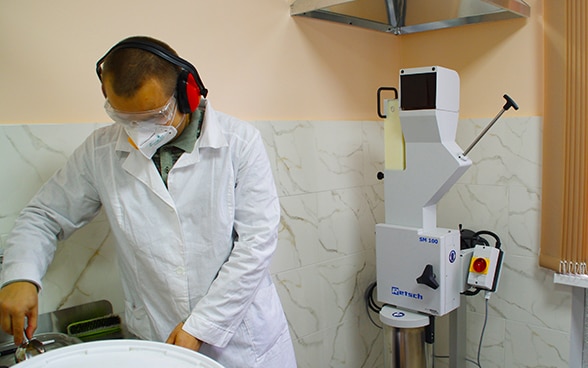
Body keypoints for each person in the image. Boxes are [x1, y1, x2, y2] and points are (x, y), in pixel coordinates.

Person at [0, 36, 297, 368]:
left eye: (154, 116)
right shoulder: (100, 152)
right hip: (157, 340)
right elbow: (45, 215)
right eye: (125, 118)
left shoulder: (239, 143)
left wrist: (202, 327)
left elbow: (256, 244)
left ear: (187, 94)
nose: (138, 130)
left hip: (242, 344)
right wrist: (21, 275)